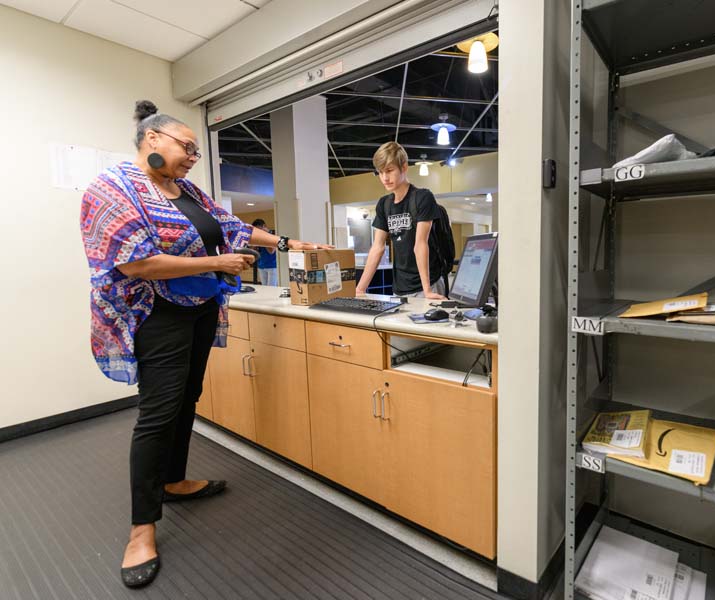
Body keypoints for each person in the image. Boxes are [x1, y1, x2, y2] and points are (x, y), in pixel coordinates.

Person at [79, 100, 331, 588]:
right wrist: (216, 265)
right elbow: (135, 264)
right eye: (187, 147)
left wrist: (286, 244)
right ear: (152, 139)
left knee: (186, 399)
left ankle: (173, 479)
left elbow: (231, 227)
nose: (193, 157)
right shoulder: (111, 189)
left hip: (197, 312)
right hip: (155, 315)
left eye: (196, 150)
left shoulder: (185, 189)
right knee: (157, 413)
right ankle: (141, 528)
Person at [355, 142, 447, 299]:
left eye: (390, 171)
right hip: (399, 288)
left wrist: (428, 291)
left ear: (404, 167)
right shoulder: (384, 204)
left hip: (427, 283)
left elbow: (420, 244)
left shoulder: (422, 197)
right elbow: (377, 248)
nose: (385, 178)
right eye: (381, 172)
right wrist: (359, 289)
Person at [251, 218, 278, 286]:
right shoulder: (259, 236)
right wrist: (255, 245)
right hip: (261, 265)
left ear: (264, 226)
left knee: (271, 288)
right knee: (264, 287)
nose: (257, 232)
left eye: (258, 229)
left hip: (272, 266)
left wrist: (263, 239)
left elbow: (271, 251)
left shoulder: (273, 235)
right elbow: (254, 252)